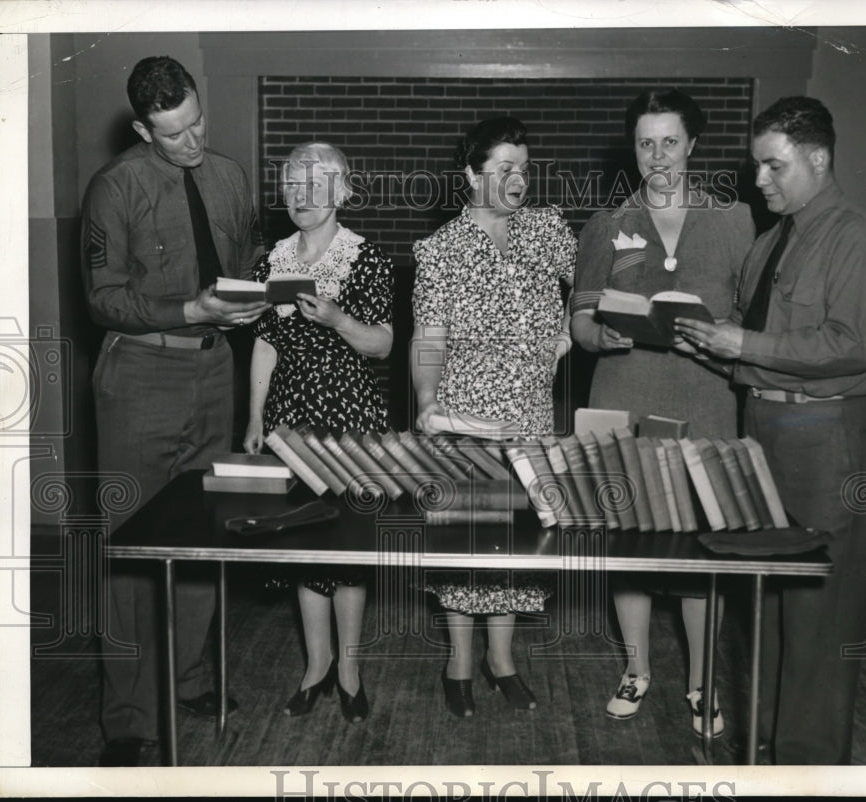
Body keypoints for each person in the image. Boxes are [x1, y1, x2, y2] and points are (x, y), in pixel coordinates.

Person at [675, 96, 866, 764]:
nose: (761, 181)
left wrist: (740, 339)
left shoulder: (862, 239)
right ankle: (766, 749)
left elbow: (850, 346)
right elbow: (765, 342)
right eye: (758, 167)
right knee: (767, 610)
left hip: (829, 441)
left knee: (819, 619)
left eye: (775, 166)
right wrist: (715, 349)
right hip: (766, 433)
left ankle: (808, 768)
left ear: (819, 158)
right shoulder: (772, 242)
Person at [81, 56, 269, 766]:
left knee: (201, 528)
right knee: (128, 543)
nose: (192, 143)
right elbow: (102, 296)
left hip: (214, 369)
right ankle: (127, 720)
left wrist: (260, 293)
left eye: (196, 125)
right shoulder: (115, 188)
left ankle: (190, 678)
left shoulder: (226, 176)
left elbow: (245, 253)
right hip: (139, 372)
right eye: (173, 135)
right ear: (141, 128)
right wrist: (188, 307)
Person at [570, 88, 754, 735]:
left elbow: (752, 316)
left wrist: (723, 329)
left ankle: (703, 684)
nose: (657, 156)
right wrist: (600, 334)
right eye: (645, 143)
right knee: (634, 538)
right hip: (627, 393)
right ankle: (637, 668)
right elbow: (581, 320)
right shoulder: (606, 223)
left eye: (669, 141)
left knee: (703, 546)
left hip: (706, 398)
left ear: (693, 144)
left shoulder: (734, 221)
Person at [410, 116, 576, 718]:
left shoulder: (547, 231)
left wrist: (566, 334)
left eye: (524, 168)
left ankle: (501, 659)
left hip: (531, 416)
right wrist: (427, 401)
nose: (517, 179)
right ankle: (458, 659)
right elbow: (428, 337)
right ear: (470, 175)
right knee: (465, 543)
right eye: (503, 168)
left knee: (515, 547)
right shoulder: (441, 250)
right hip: (464, 420)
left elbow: (591, 291)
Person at [243, 142, 393, 724]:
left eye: (315, 185)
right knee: (305, 547)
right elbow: (263, 342)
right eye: (291, 185)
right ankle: (317, 665)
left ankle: (351, 669)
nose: (301, 198)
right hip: (288, 423)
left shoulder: (365, 258)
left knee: (349, 550)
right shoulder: (270, 262)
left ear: (343, 192)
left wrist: (337, 319)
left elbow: (381, 343)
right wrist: (254, 417)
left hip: (351, 421)